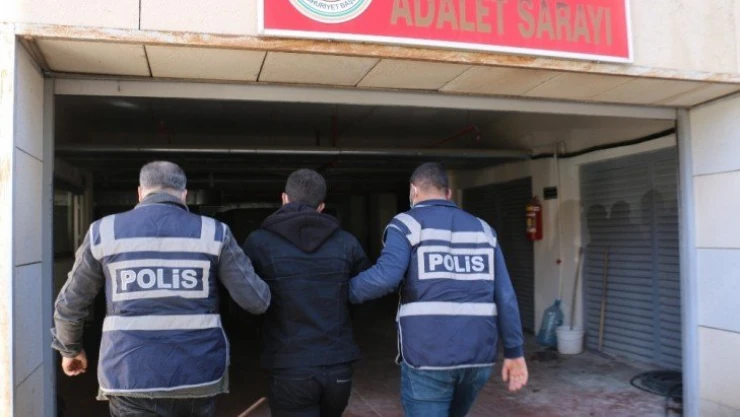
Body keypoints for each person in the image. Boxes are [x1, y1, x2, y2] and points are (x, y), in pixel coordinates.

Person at [51, 161, 271, 417]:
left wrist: (70, 350)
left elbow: (70, 304)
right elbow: (256, 302)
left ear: (140, 192)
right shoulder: (214, 233)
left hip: (129, 375)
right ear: (184, 194)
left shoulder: (104, 231)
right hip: (197, 376)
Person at [349, 162, 529, 417]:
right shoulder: (484, 230)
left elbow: (385, 277)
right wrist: (514, 352)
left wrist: (342, 291)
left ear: (413, 190)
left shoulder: (406, 225)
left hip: (428, 354)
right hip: (478, 357)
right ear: (448, 193)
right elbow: (506, 296)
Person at [243, 169, 370, 417]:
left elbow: (246, 300)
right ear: (322, 206)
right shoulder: (347, 242)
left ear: (284, 198)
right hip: (338, 366)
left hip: (289, 366)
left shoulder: (258, 242)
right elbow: (364, 295)